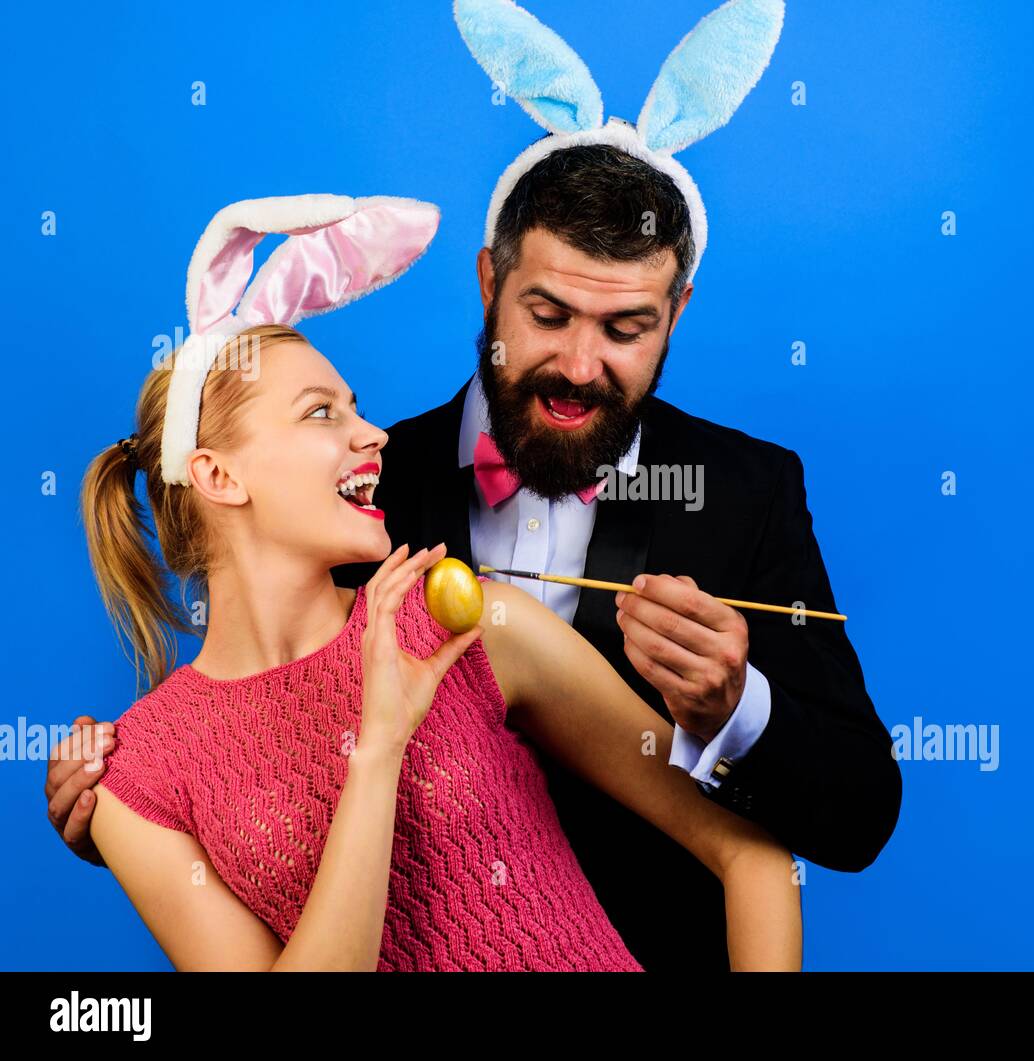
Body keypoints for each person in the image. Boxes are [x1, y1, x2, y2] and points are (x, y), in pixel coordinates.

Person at [48, 0, 899, 971]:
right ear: (489, 282)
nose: (581, 364)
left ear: (677, 312)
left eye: (625, 328)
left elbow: (857, 811)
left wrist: (733, 711)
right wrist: (132, 800)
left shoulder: (745, 490)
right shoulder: (370, 496)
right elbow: (250, 711)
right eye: (548, 312)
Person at [71, 191, 801, 970]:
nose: (372, 433)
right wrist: (378, 744)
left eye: (355, 406)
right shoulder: (137, 779)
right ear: (217, 474)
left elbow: (750, 854)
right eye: (321, 414)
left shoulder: (465, 622)